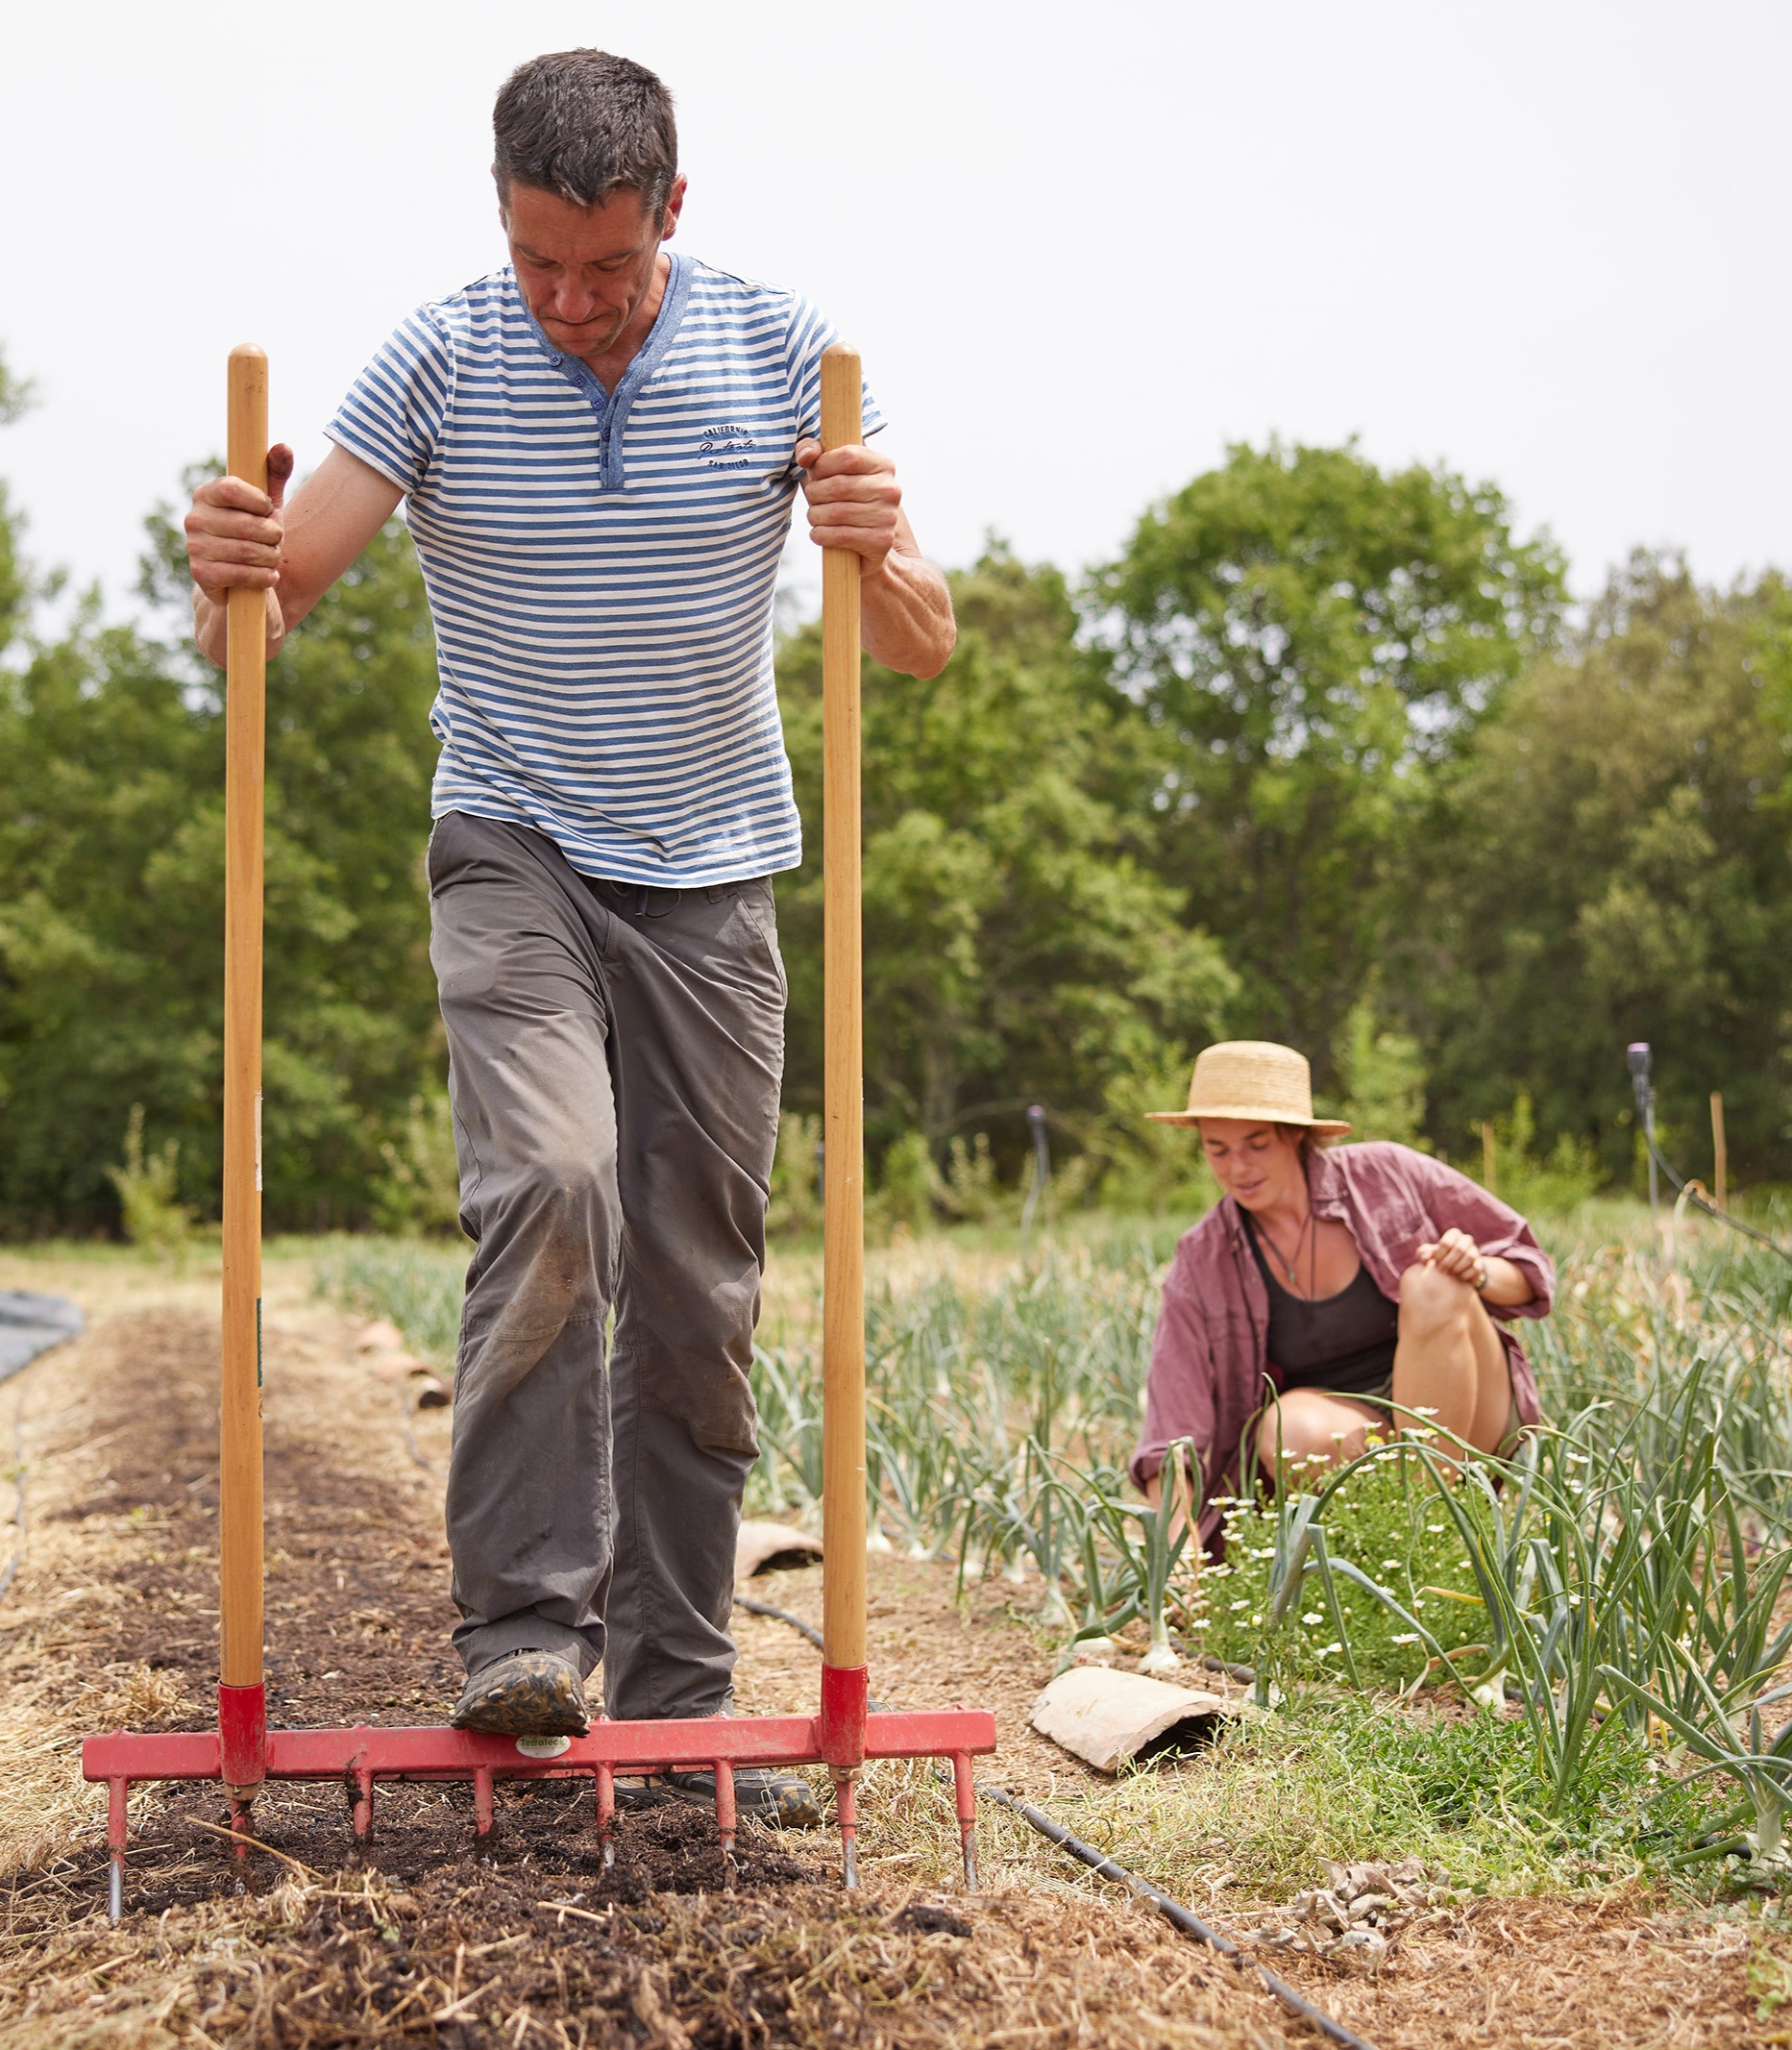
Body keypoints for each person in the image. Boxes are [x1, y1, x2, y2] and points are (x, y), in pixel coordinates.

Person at [181, 50, 954, 1821]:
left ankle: (681, 1705)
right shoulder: (442, 353)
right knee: (549, 1182)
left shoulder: (786, 353)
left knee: (694, 1281)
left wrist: (875, 544)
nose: (573, 303)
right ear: (503, 223)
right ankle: (527, 1628)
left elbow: (917, 639)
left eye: (604, 267)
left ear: (670, 213)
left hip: (712, 871)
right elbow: (264, 616)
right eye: (541, 262)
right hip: (512, 843)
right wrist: (223, 569)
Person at [1132, 1041, 1552, 1544]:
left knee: (1434, 1280)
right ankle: (1410, 1535)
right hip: (1356, 1440)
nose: (1237, 1167)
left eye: (1256, 1144)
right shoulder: (1204, 1257)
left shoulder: (1390, 1174)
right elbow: (1171, 1425)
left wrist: (1476, 1269)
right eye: (1217, 1149)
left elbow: (1530, 1270)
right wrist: (1176, 1555)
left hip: (1469, 1411)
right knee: (1283, 1425)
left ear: (1296, 1137)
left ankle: (1426, 1528)